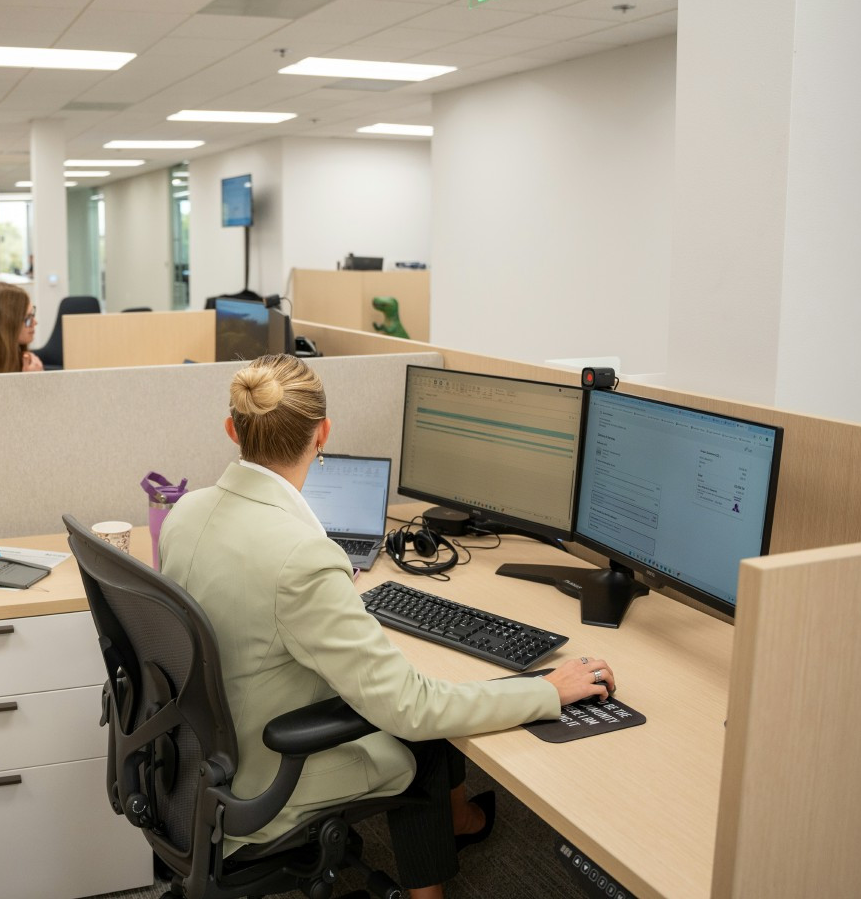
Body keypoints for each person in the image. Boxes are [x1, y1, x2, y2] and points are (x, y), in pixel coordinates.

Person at [158, 355, 617, 899]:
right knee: (422, 734)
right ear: (322, 434)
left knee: (419, 699)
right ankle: (440, 866)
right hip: (261, 779)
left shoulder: (185, 512)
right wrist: (543, 690)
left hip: (195, 763)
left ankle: (461, 822)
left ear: (233, 430)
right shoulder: (301, 556)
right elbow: (413, 709)